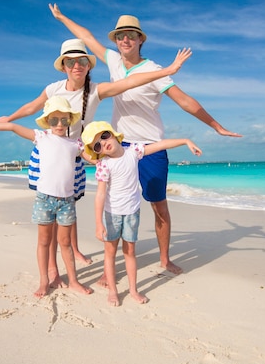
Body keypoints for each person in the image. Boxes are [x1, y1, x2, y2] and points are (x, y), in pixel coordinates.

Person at [49, 3, 242, 276]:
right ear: (116, 40)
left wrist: (215, 126)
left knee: (158, 205)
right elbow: (88, 37)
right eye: (119, 35)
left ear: (140, 39)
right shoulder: (114, 61)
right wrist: (61, 17)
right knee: (114, 207)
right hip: (118, 146)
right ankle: (109, 268)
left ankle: (164, 260)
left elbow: (185, 101)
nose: (124, 39)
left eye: (130, 34)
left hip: (150, 147)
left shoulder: (154, 70)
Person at [0, 38, 192, 288]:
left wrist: (167, 71)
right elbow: (32, 107)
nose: (76, 65)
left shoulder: (96, 90)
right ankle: (53, 269)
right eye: (70, 61)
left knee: (67, 207)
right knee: (51, 210)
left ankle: (73, 252)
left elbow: (129, 82)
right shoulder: (54, 88)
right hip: (51, 155)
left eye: (81, 61)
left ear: (88, 65)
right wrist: (9, 118)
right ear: (63, 65)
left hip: (76, 154)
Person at [0, 97, 94, 298]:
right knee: (44, 242)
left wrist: (122, 154)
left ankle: (73, 281)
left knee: (65, 243)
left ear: (69, 121)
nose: (59, 124)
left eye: (64, 120)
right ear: (47, 120)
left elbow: (96, 159)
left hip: (67, 201)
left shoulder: (74, 144)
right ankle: (44, 281)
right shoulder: (41, 137)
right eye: (54, 120)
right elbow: (12, 127)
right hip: (44, 200)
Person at [81, 121, 202, 306]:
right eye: (97, 145)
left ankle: (133, 290)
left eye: (104, 136)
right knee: (110, 252)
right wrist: (98, 223)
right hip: (112, 214)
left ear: (112, 134)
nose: (103, 143)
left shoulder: (134, 152)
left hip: (131, 213)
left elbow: (160, 145)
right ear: (98, 151)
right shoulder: (104, 165)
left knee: (130, 252)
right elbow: (100, 195)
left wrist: (185, 140)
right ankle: (113, 291)